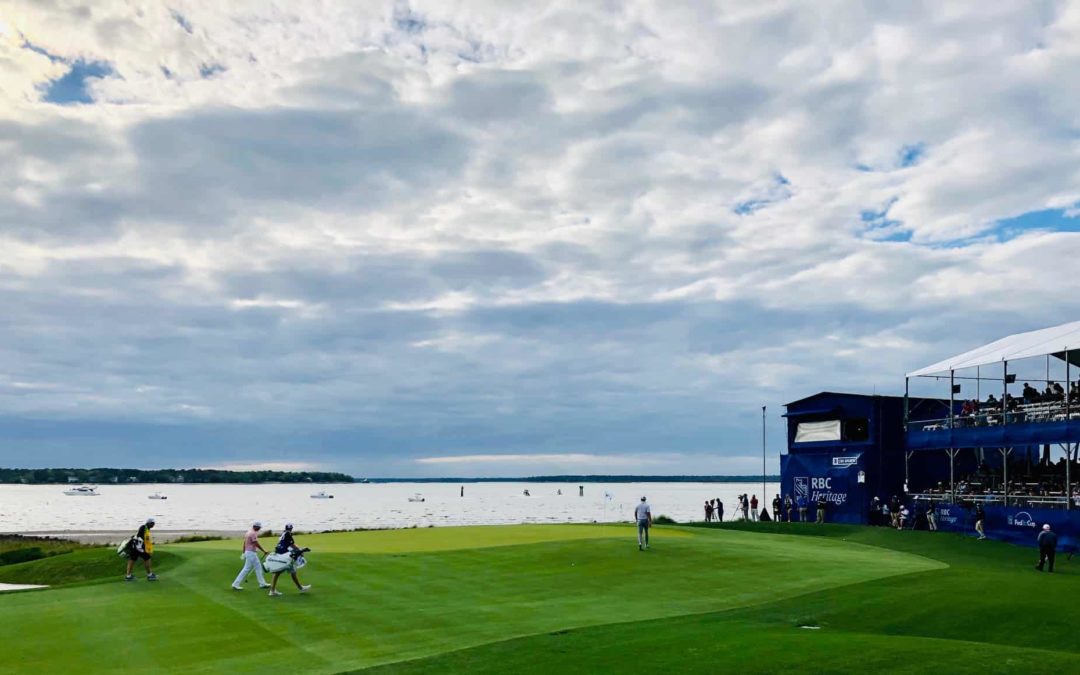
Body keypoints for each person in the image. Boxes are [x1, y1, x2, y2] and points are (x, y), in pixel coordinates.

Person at [268, 523, 311, 596]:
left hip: (280, 554)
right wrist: (300, 551)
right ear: (291, 529)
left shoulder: (284, 533)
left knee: (291, 572)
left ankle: (300, 588)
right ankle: (272, 591)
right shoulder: (288, 534)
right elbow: (292, 545)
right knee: (280, 572)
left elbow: (287, 544)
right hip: (284, 556)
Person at [232, 521, 270, 591]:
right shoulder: (253, 533)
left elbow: (244, 543)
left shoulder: (248, 532)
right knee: (247, 568)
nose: (259, 529)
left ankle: (262, 583)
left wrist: (243, 552)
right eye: (258, 527)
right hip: (251, 553)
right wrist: (264, 551)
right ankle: (235, 584)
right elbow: (256, 543)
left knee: (257, 567)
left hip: (249, 552)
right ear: (255, 526)